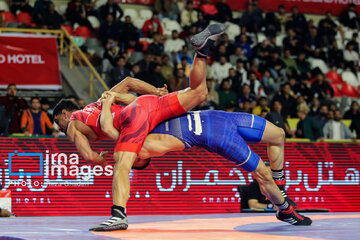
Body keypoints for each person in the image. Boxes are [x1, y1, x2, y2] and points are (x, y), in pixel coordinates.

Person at [52, 24, 227, 231]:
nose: (61, 129)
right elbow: (128, 81)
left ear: (65, 114)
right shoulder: (100, 101)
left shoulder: (73, 122)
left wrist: (99, 158)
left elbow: (89, 155)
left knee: (121, 164)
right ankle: (201, 52)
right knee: (199, 93)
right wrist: (156, 91)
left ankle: (118, 214)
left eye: (58, 122)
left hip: (131, 118)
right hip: (148, 103)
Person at [101, 96, 312, 227]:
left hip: (220, 117)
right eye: (136, 159)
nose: (133, 157)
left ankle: (281, 187)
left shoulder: (142, 123)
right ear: (142, 157)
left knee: (279, 135)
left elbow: (132, 102)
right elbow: (111, 134)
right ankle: (285, 211)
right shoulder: (149, 145)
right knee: (262, 175)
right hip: (220, 138)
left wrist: (110, 98)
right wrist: (107, 105)